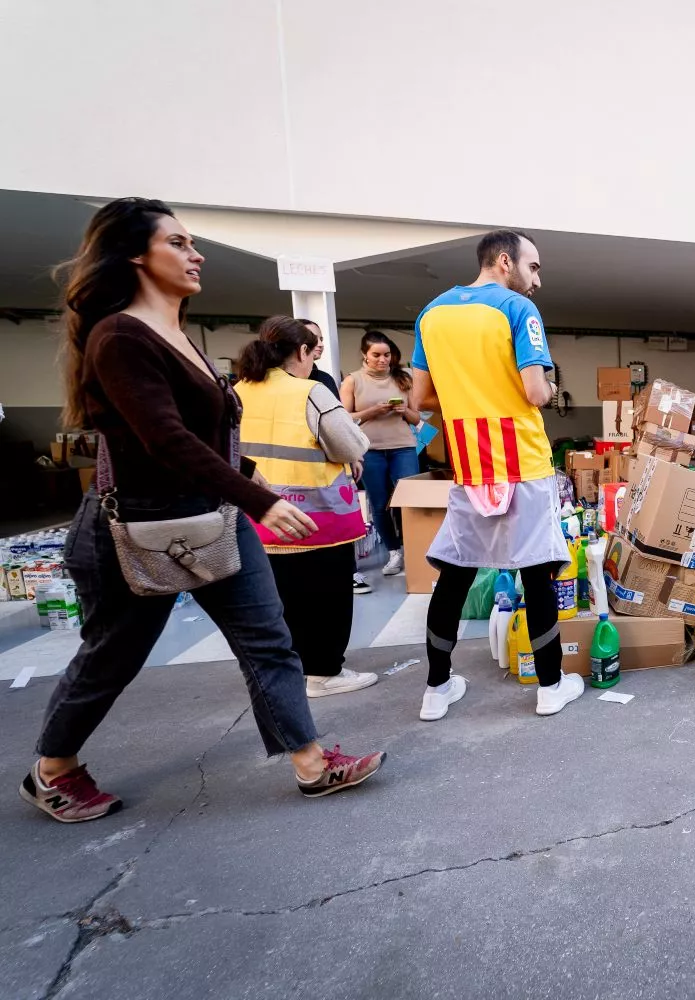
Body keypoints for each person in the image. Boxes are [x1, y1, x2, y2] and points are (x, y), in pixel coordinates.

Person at [23, 198, 384, 823]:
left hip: (213, 517)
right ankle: (52, 769)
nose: (197, 255)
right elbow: (162, 437)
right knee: (114, 654)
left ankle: (311, 762)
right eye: (179, 243)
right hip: (139, 528)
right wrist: (259, 498)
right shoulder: (119, 336)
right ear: (136, 254)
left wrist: (244, 479)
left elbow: (206, 436)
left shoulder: (178, 335)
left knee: (269, 640)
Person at [409, 229, 582, 721]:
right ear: (505, 262)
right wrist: (544, 384)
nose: (538, 281)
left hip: (470, 466)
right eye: (534, 267)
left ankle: (436, 689)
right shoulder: (517, 309)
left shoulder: (431, 314)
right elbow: (535, 392)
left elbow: (420, 400)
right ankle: (550, 686)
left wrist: (470, 398)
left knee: (456, 575)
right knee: (537, 574)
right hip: (522, 462)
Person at [236, 317, 379, 697]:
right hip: (315, 518)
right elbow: (350, 445)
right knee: (327, 598)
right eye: (311, 347)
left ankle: (295, 671)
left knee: (282, 599)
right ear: (300, 351)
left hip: (259, 515)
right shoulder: (309, 391)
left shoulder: (238, 391)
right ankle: (325, 672)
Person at [341, 331, 420, 589]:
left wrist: (403, 410)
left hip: (403, 447)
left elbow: (417, 418)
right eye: (376, 355)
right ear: (365, 354)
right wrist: (372, 411)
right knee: (379, 503)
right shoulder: (352, 381)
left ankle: (417, 550)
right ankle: (394, 551)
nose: (383, 360)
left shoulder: (404, 378)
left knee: (410, 500)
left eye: (387, 355)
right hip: (369, 449)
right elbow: (343, 419)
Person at [298, 319, 341, 395]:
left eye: (321, 339)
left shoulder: (325, 378)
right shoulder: (280, 377)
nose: (321, 344)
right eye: (313, 338)